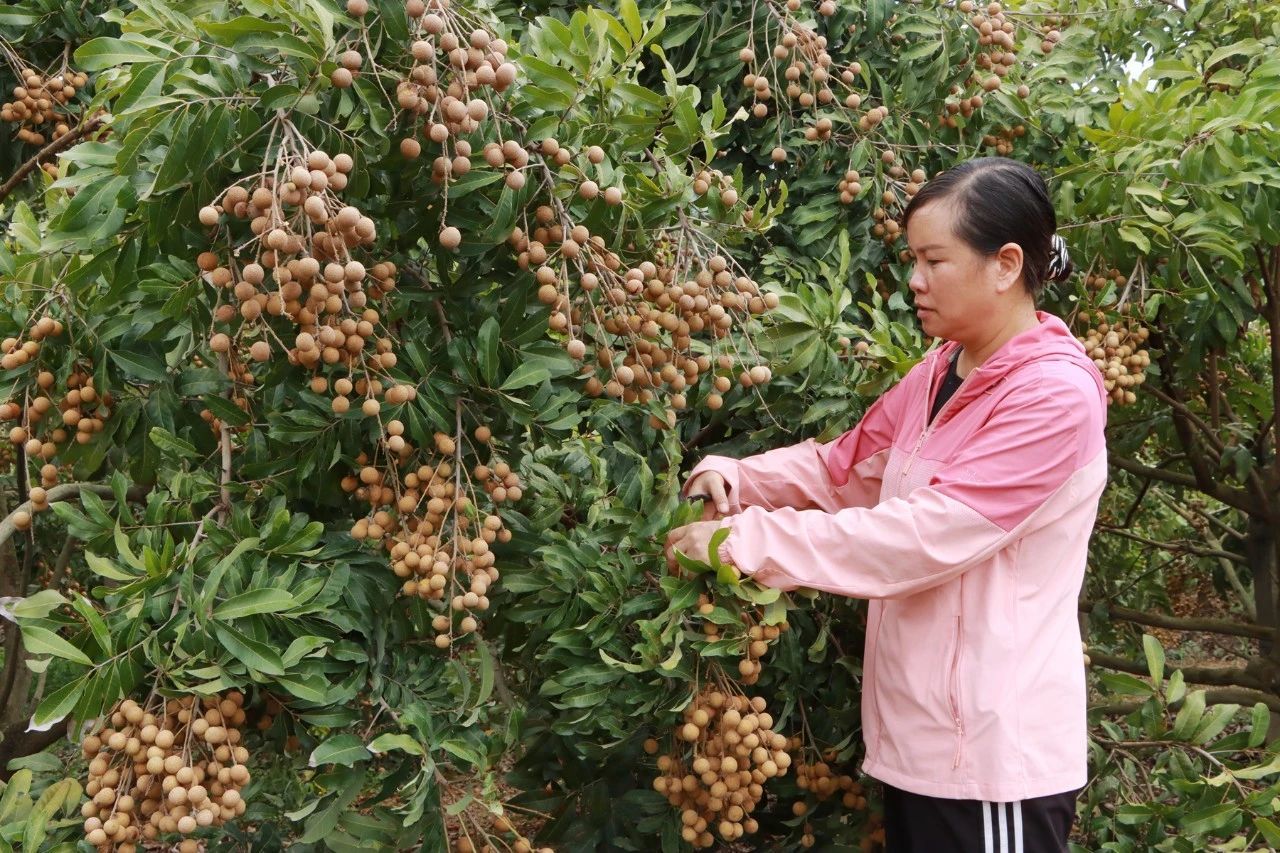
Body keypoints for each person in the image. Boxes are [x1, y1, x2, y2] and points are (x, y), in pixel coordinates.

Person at [664, 157, 1106, 852]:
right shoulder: (940, 369)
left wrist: (744, 542)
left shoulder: (1054, 398)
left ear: (1006, 264)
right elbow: (844, 467)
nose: (915, 280)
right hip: (920, 744)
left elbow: (920, 537)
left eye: (934, 260)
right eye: (913, 260)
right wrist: (737, 479)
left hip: (992, 760)